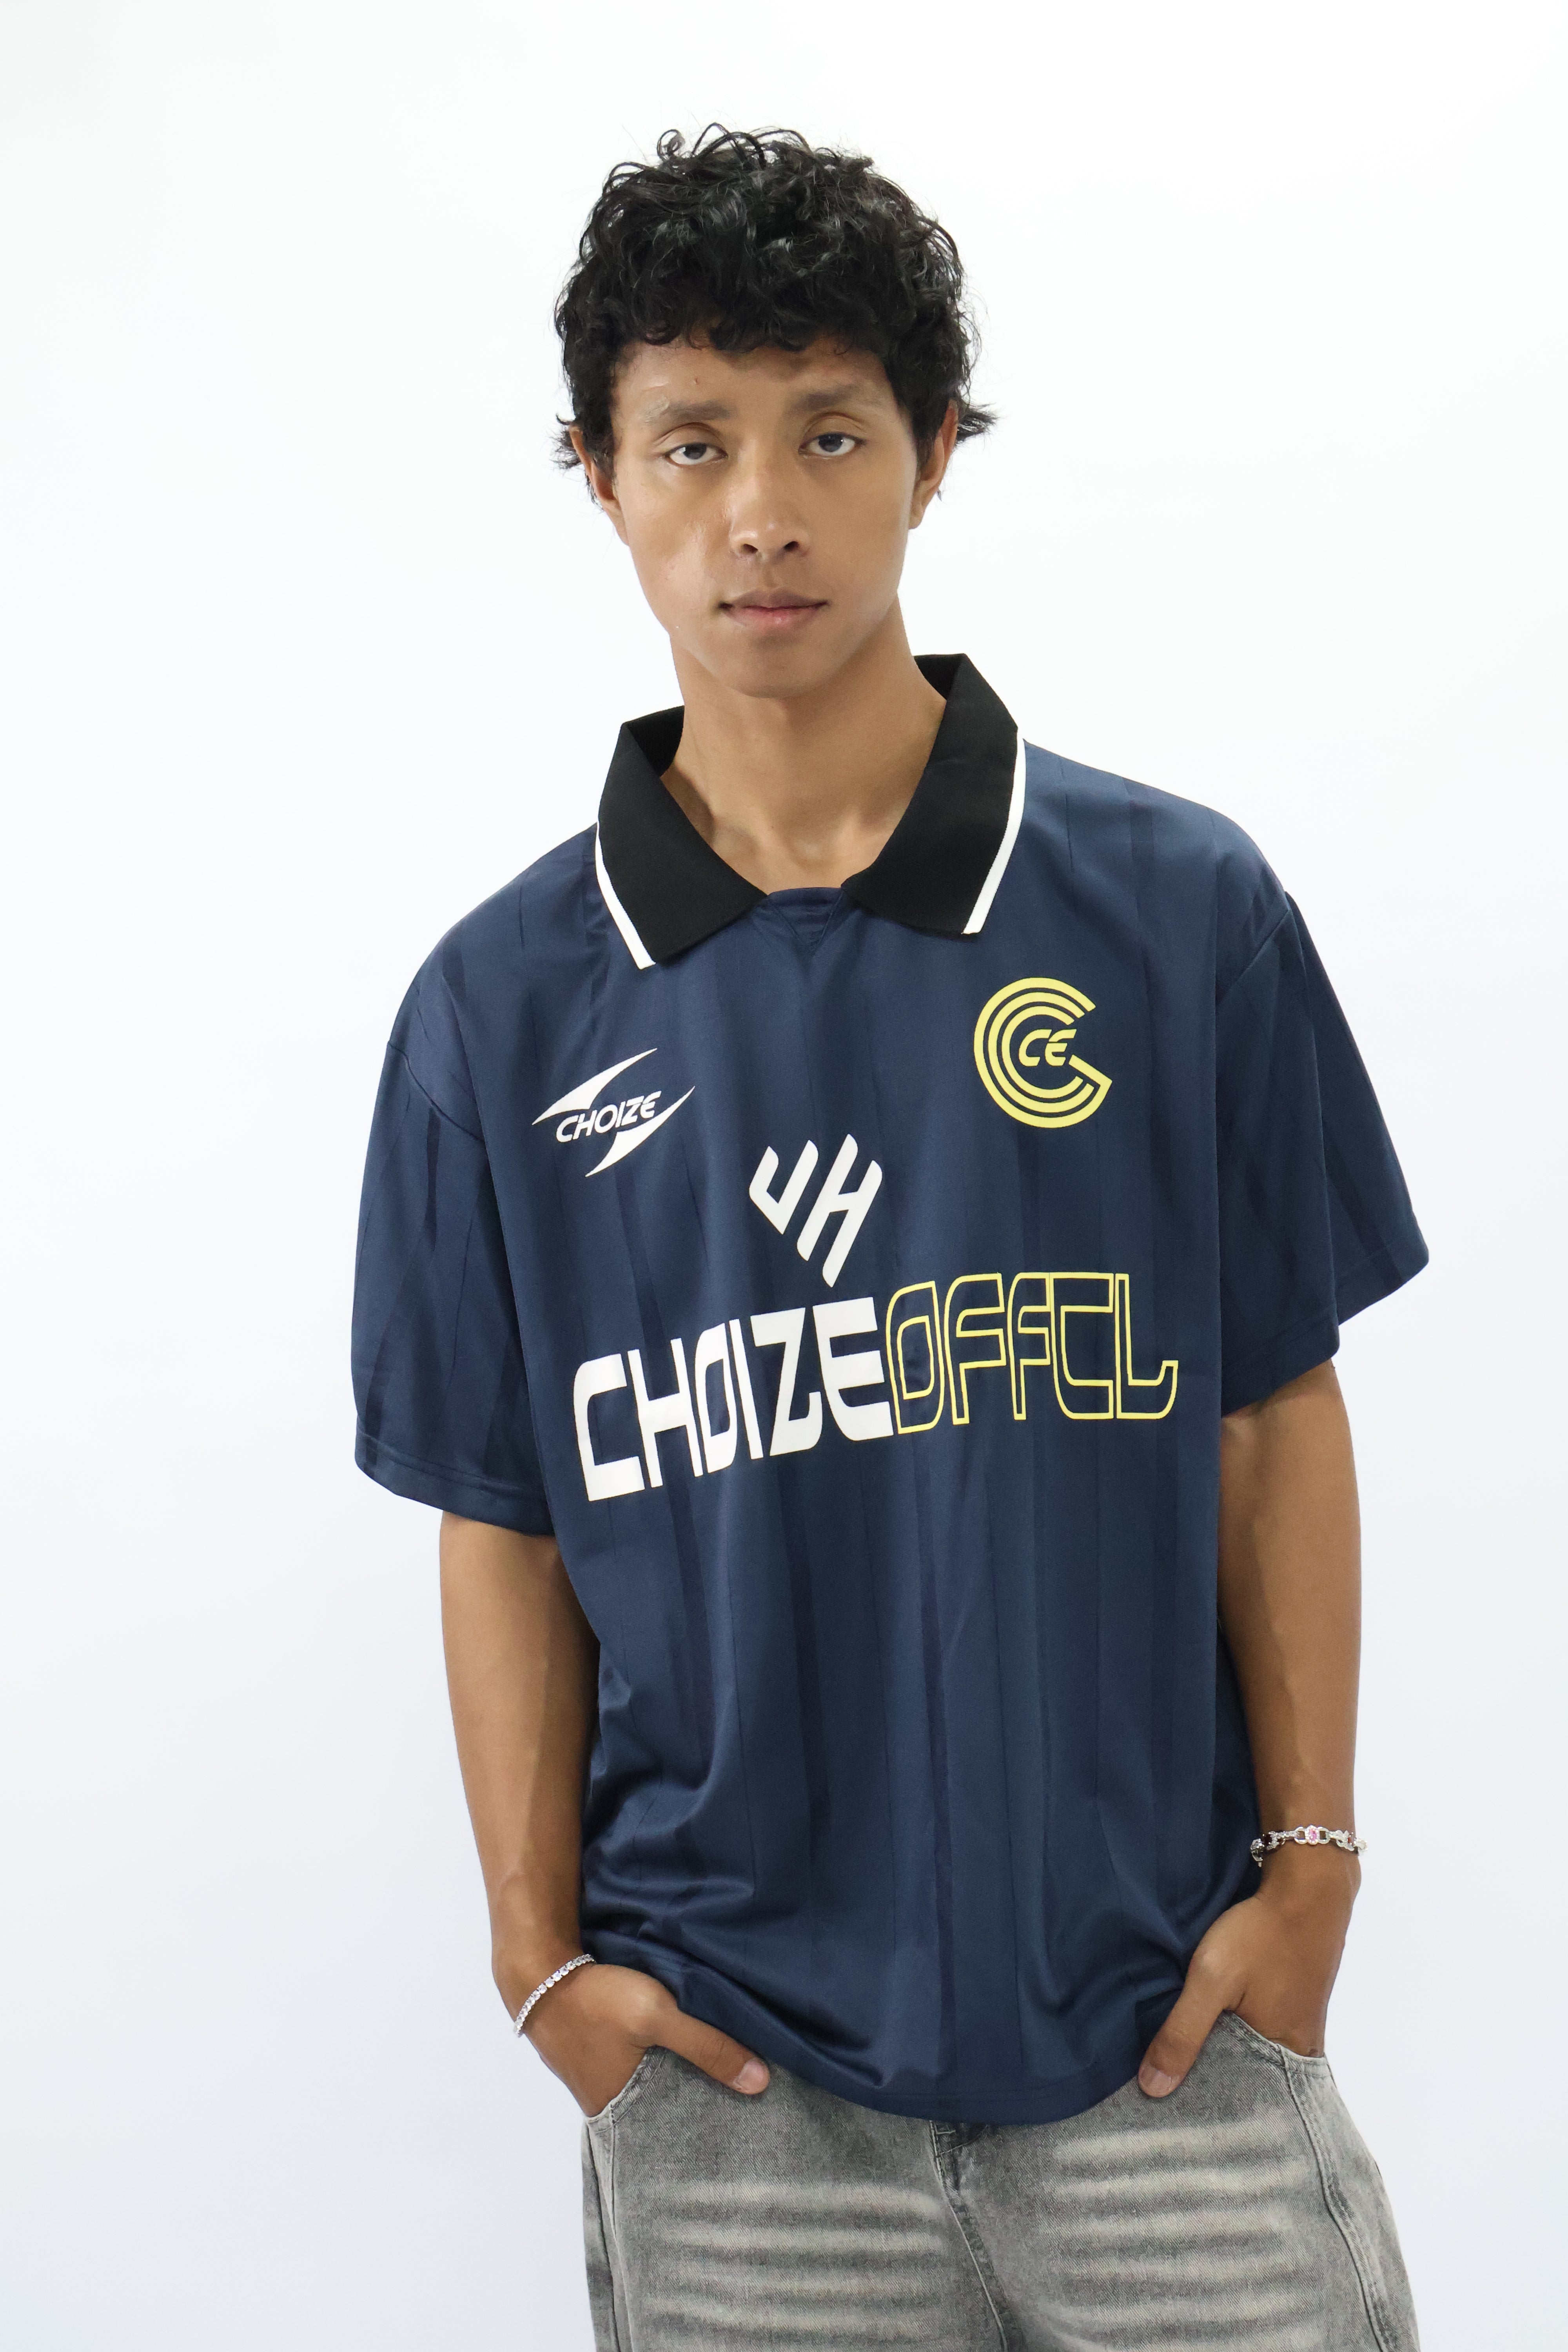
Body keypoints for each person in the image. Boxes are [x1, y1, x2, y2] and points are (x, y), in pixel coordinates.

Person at [352, 125, 1427, 2351]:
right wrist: (536, 1954)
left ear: (935, 455)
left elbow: (1271, 1410)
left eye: (830, 432)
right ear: (599, 474)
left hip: (1166, 2039)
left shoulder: (1179, 914)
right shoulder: (498, 1013)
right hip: (735, 2087)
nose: (762, 510)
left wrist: (1313, 1866)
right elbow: (502, 1517)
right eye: (692, 442)